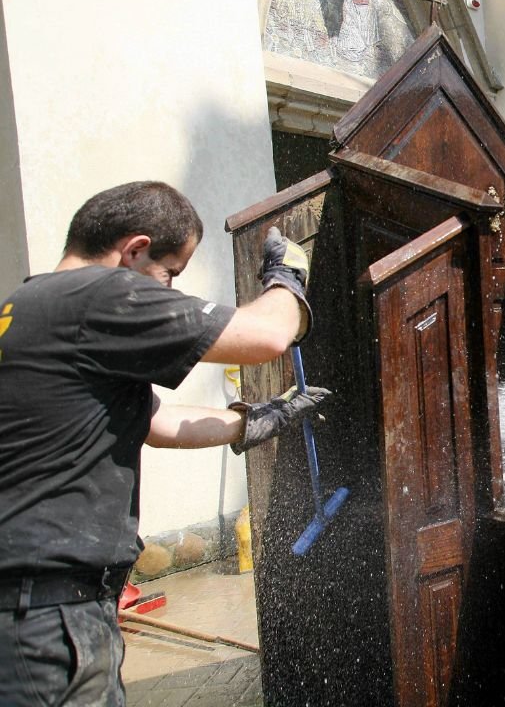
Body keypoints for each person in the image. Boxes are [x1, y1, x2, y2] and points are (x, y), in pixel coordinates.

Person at [0, 181, 331, 706]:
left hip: (32, 611)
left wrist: (256, 421)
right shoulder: (100, 295)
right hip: (47, 617)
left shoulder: (28, 304)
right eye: (170, 273)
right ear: (134, 250)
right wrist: (287, 278)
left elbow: (157, 423)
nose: (170, 291)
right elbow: (267, 336)